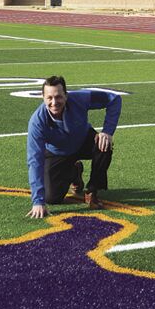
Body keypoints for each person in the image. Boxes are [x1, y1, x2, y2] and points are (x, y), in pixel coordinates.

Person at [26, 75, 122, 219]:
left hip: (83, 141)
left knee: (104, 144)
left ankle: (92, 190)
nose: (54, 102)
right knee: (52, 198)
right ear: (43, 97)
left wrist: (107, 131)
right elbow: (35, 160)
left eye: (58, 97)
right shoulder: (37, 122)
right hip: (58, 153)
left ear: (66, 95)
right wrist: (38, 201)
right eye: (49, 98)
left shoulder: (80, 98)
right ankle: (74, 172)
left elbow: (114, 99)